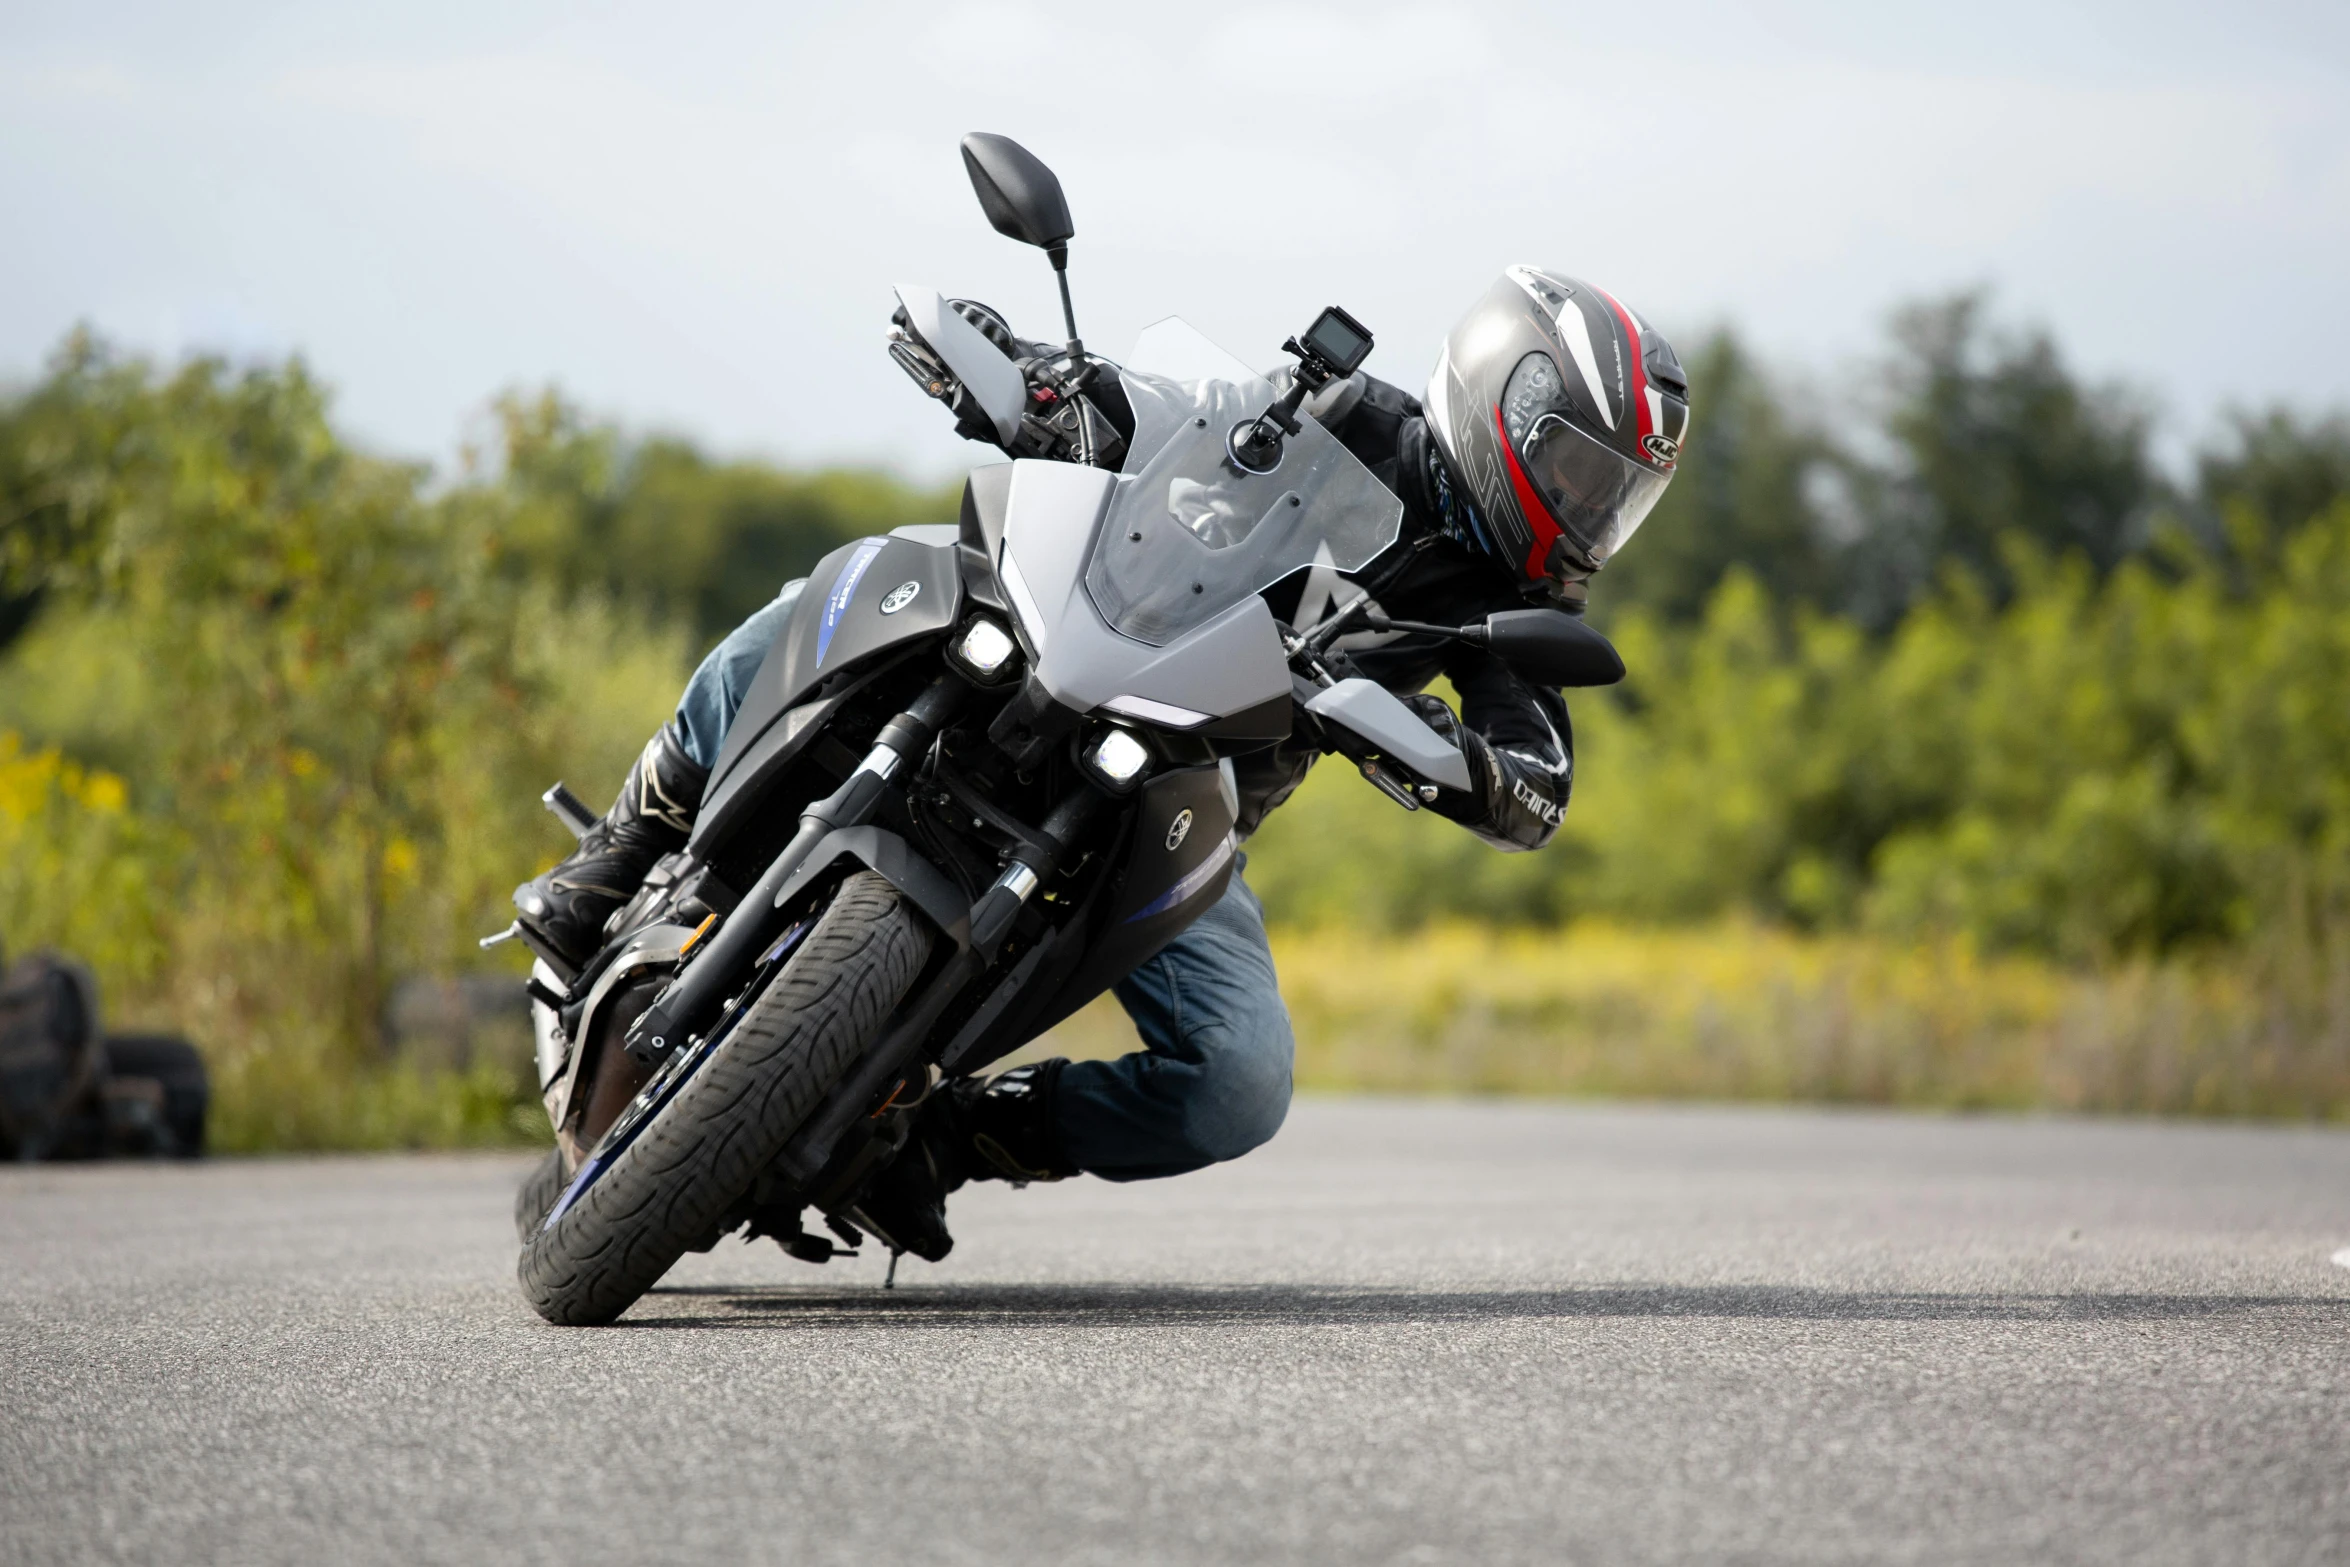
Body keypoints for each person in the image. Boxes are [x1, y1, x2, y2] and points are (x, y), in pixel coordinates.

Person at [512, 265, 1690, 1258]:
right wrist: (1040, 382)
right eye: (1581, 471)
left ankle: (949, 1132)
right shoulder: (1327, 404)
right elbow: (1166, 404)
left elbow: (1532, 766)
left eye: (1615, 497)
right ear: (1503, 397)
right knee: (839, 588)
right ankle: (624, 850)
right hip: (1057, 639)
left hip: (1178, 789)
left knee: (1240, 1080)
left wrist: (1470, 764)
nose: (1589, 513)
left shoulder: (1510, 605)